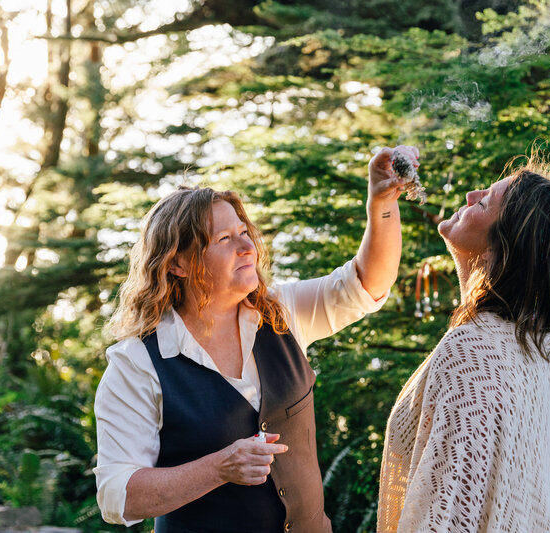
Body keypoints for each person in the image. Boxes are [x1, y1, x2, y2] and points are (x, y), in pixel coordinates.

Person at [94, 145, 420, 533]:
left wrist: (381, 202)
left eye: (244, 232)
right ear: (177, 264)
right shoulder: (137, 363)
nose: (248, 247)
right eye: (224, 239)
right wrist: (218, 468)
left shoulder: (280, 312)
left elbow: (366, 284)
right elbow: (117, 495)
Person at [377, 155, 550, 532]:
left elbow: (445, 514)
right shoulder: (545, 347)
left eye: (484, 203)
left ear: (501, 250)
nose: (470, 195)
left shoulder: (472, 350)